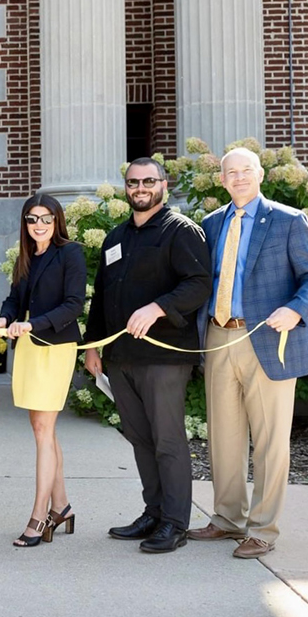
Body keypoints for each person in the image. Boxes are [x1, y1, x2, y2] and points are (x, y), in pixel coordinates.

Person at [189, 148, 308, 559]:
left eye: (245, 170)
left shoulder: (287, 220)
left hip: (269, 339)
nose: (239, 178)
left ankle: (263, 528)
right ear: (222, 180)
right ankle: (227, 519)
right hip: (218, 338)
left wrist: (294, 309)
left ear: (260, 174)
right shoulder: (211, 225)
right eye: (230, 172)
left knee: (269, 440)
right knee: (223, 437)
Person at [84, 157, 211, 554]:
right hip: (121, 357)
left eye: (148, 181)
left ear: (164, 185)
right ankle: (153, 512)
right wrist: (94, 346)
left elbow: (199, 284)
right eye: (133, 182)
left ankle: (175, 523)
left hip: (164, 358)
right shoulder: (116, 237)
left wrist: (158, 307)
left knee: (167, 440)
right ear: (126, 188)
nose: (140, 187)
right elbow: (103, 297)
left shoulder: (182, 232)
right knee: (139, 438)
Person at [0, 193, 86, 547]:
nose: (39, 225)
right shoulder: (27, 256)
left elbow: (74, 304)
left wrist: (34, 325)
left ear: (57, 220)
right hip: (29, 347)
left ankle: (40, 515)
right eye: (32, 219)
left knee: (43, 430)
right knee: (42, 428)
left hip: (55, 346)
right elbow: (15, 299)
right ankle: (62, 506)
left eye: (46, 218)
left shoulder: (71, 253)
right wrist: (5, 317)